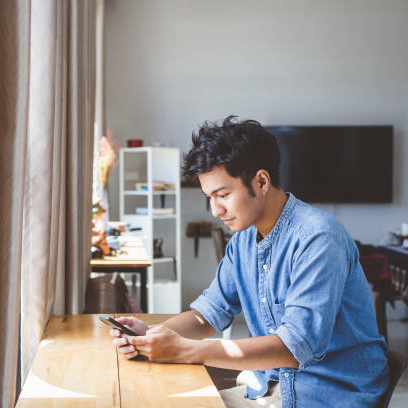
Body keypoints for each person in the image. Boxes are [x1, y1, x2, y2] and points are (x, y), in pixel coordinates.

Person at [110, 116, 389, 408]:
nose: (215, 210)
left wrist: (186, 351)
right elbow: (208, 314)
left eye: (223, 195)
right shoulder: (244, 240)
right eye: (209, 197)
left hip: (329, 395)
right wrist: (155, 334)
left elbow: (295, 348)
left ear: (261, 181)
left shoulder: (318, 238)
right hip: (271, 386)